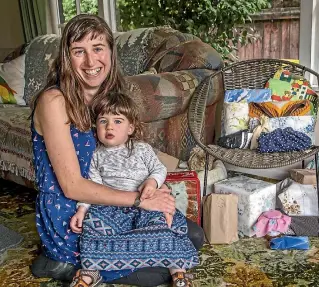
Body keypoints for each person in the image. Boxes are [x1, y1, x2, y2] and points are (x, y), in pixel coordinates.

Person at [30, 14, 204, 286]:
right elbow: (72, 186)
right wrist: (139, 200)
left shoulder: (108, 98)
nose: (91, 62)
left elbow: (131, 154)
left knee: (192, 237)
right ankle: (59, 262)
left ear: (110, 52)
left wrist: (154, 186)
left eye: (98, 48)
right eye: (79, 52)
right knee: (160, 272)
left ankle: (92, 260)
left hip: (111, 202)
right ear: (67, 57)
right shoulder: (54, 101)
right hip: (73, 212)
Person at [69, 92, 198, 287]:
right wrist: (82, 209)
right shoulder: (96, 155)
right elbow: (92, 187)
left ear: (130, 128)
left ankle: (178, 272)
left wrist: (152, 183)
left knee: (164, 224)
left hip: (146, 204)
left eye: (118, 121)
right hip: (112, 208)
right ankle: (90, 271)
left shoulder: (141, 149)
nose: (109, 126)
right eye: (103, 121)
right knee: (92, 225)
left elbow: (159, 169)